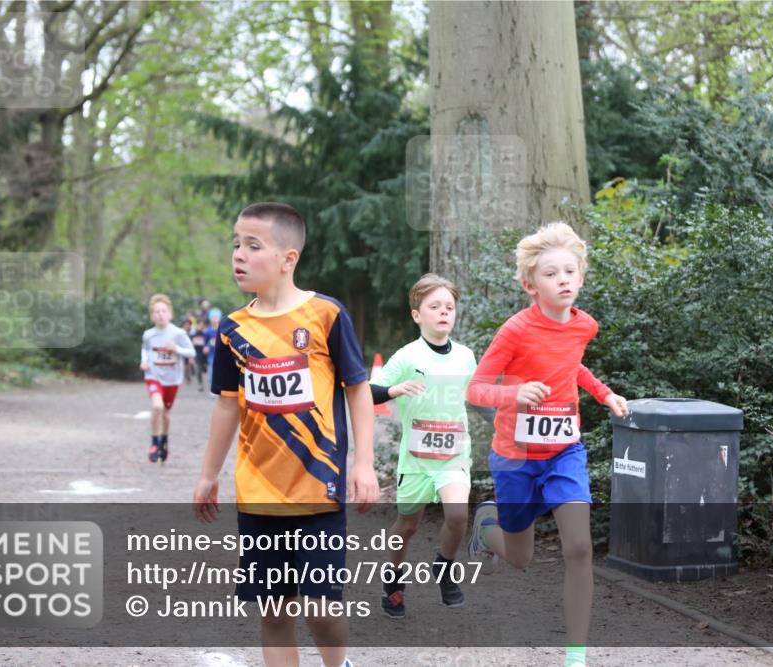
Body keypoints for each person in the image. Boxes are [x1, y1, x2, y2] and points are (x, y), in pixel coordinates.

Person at [192, 202, 380, 667]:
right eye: (235, 244)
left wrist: (362, 464)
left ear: (288, 258)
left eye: (253, 245)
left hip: (318, 489)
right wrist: (208, 474)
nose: (239, 254)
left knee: (320, 610)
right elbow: (227, 403)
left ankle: (339, 664)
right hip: (258, 494)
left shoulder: (325, 315)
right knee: (275, 613)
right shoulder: (232, 328)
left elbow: (357, 389)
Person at [465, 222, 629, 667]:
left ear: (581, 277)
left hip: (564, 452)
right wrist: (512, 394)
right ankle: (485, 529)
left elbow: (572, 365)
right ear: (530, 284)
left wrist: (604, 394)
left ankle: (575, 656)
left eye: (569, 272)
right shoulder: (515, 330)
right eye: (551, 274)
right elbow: (476, 390)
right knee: (521, 558)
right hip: (515, 458)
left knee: (579, 547)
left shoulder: (583, 326)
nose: (563, 280)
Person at [370, 273, 478, 618]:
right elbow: (368, 392)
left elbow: (478, 398)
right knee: (408, 526)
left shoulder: (465, 356)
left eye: (449, 306)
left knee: (458, 515)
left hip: (454, 454)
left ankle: (444, 567)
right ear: (417, 315)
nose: (444, 311)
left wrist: (510, 409)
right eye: (435, 306)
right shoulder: (406, 356)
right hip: (416, 459)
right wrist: (394, 390)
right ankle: (393, 578)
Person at [140, 294, 196, 463]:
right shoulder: (148, 334)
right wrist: (143, 361)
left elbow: (192, 352)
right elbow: (145, 349)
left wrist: (176, 349)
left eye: (163, 311)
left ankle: (164, 439)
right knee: (157, 407)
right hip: (153, 376)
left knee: (166, 414)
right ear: (152, 316)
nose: (160, 314)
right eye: (156, 312)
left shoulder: (178, 333)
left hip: (172, 379)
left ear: (170, 314)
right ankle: (154, 443)